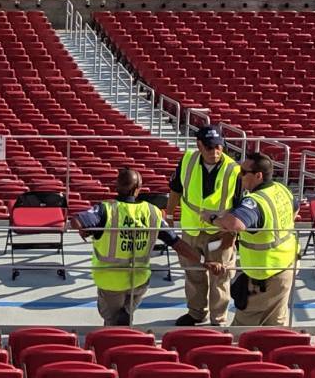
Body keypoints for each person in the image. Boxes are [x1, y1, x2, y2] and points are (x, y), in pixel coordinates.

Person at [211, 149, 299, 328]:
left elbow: (235, 224)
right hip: (286, 266)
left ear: (258, 175)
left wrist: (212, 218)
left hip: (265, 275)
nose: (240, 175)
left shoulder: (255, 201)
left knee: (242, 329)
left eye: (244, 172)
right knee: (276, 325)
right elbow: (295, 210)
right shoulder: (281, 189)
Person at [169, 125, 242, 329]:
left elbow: (239, 206)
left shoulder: (233, 169)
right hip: (191, 229)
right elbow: (175, 189)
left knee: (221, 275)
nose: (215, 152)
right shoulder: (187, 160)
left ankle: (217, 319)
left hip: (220, 231)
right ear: (199, 145)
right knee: (193, 273)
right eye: (210, 147)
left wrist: (232, 236)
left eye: (219, 147)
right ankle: (196, 312)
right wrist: (168, 214)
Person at [73, 166, 164, 327]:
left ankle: (115, 344)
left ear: (116, 187)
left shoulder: (105, 209)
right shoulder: (152, 212)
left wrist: (83, 230)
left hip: (110, 281)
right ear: (138, 189)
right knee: (124, 319)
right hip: (139, 279)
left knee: (112, 321)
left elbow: (77, 220)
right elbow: (176, 242)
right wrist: (201, 261)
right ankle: (127, 315)